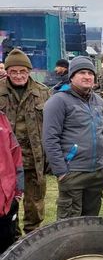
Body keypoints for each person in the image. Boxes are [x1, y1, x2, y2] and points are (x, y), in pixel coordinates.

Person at [42, 55, 103, 219]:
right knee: (68, 226)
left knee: (90, 223)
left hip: (97, 173)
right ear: (72, 76)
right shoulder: (58, 101)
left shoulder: (100, 102)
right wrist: (61, 171)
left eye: (90, 73)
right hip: (73, 172)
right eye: (82, 73)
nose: (87, 76)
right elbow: (50, 138)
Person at [0, 48, 50, 233]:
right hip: (6, 162)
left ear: (29, 71)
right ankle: (10, 241)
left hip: (33, 160)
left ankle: (32, 241)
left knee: (35, 206)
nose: (19, 75)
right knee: (6, 205)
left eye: (23, 71)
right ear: (7, 71)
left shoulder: (43, 92)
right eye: (14, 71)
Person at [0, 112, 23, 254]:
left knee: (6, 253)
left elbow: (15, 152)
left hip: (6, 202)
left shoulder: (2, 118)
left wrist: (18, 191)